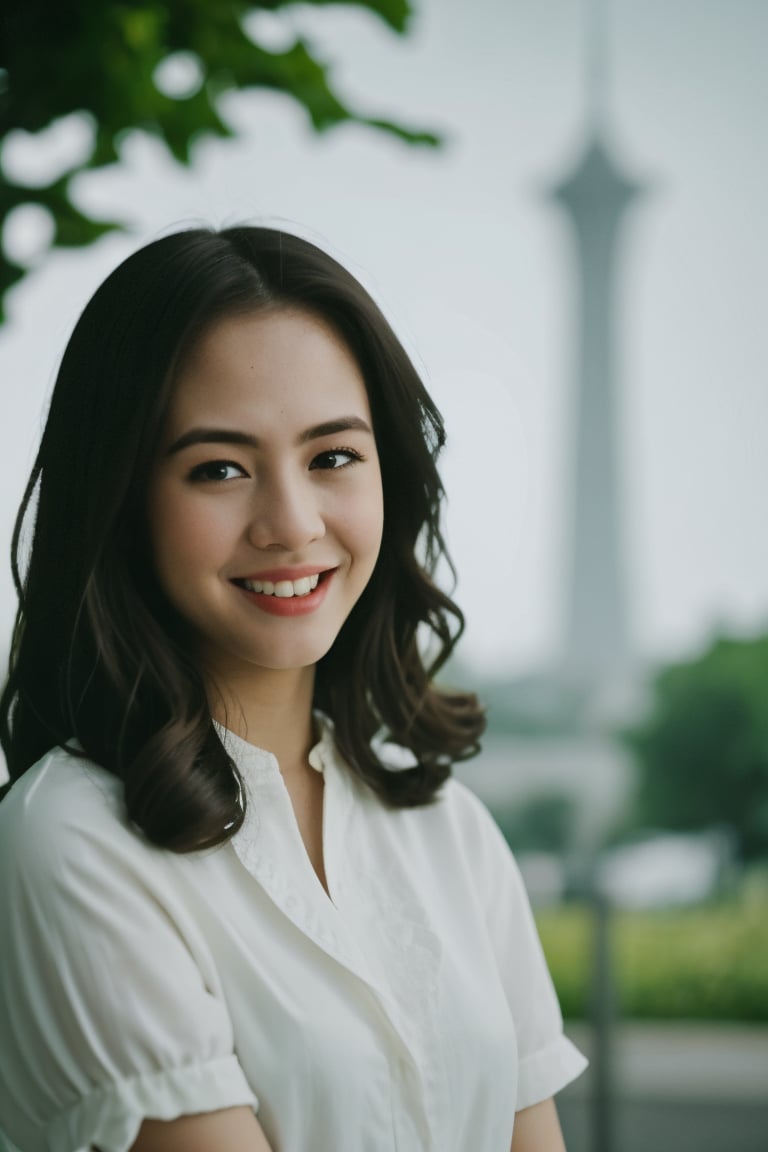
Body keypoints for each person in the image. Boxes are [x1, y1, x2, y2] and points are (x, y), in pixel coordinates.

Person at [0, 226, 586, 1152]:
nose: (291, 521)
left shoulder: (448, 828)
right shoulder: (72, 841)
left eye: (333, 457)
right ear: (120, 499)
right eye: (219, 469)